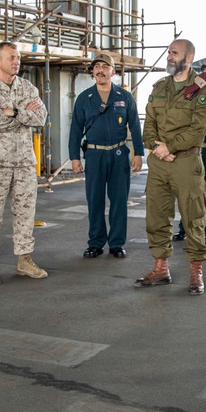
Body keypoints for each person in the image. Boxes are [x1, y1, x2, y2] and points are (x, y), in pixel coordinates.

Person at [135, 39, 206, 295]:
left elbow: (199, 128)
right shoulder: (160, 86)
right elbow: (149, 123)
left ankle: (196, 272)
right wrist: (155, 147)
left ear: (189, 57)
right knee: (157, 215)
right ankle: (160, 267)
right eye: (169, 53)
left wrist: (169, 147)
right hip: (159, 162)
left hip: (186, 162)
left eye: (174, 53)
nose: (169, 57)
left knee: (193, 217)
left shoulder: (202, 89)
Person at [0, 41, 49, 286]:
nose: (16, 62)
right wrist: (22, 112)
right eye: (11, 58)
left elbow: (40, 117)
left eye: (18, 57)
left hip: (25, 162)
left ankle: (24, 260)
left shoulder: (27, 86)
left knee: (26, 214)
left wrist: (13, 112)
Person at [69, 53, 143, 258]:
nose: (100, 70)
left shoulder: (124, 97)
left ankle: (117, 243)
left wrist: (138, 153)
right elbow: (75, 128)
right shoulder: (85, 98)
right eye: (96, 67)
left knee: (119, 200)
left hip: (119, 154)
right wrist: (74, 157)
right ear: (93, 71)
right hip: (94, 154)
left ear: (113, 71)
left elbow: (135, 126)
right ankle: (95, 242)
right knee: (95, 200)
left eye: (104, 66)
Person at [172, 60, 206, 243]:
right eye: (204, 73)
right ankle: (185, 228)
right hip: (193, 150)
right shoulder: (194, 93)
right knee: (188, 192)